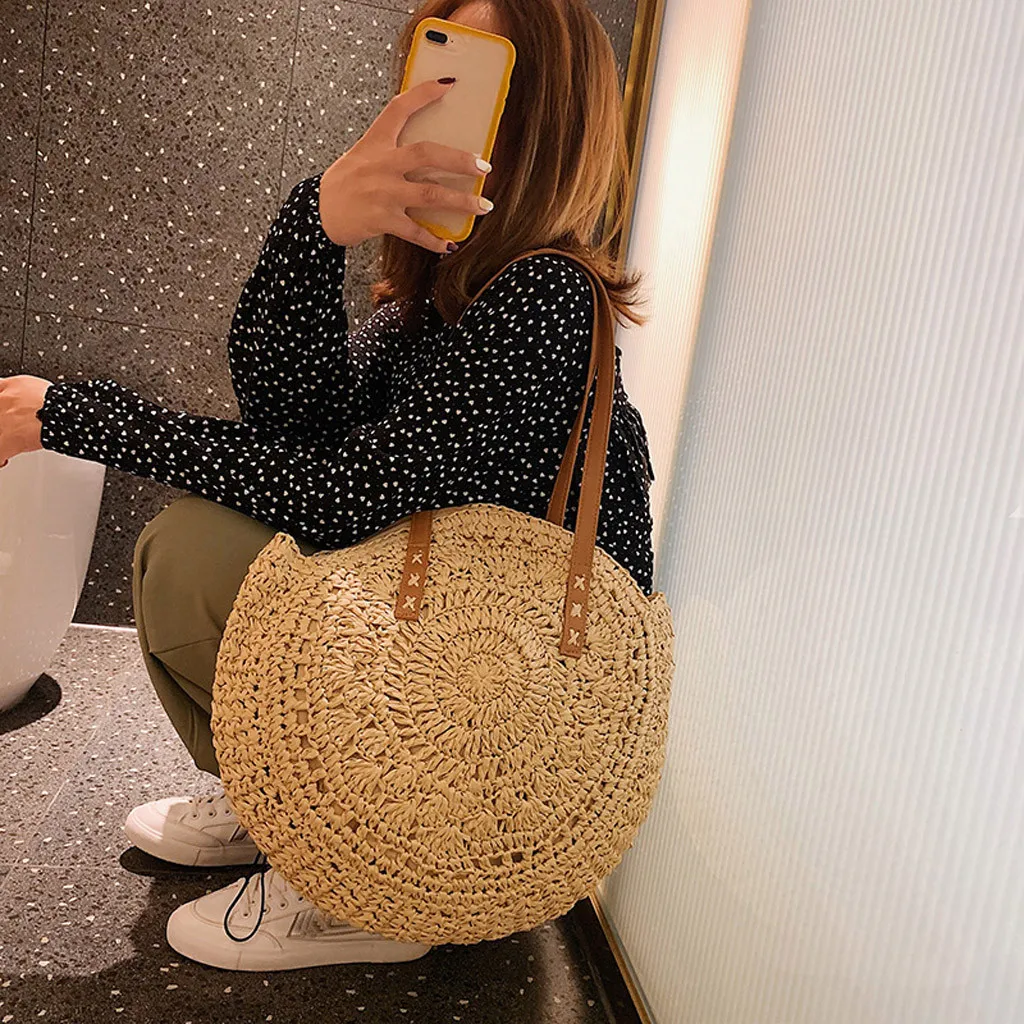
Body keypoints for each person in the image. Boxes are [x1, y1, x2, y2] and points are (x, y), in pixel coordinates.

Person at [0, 0, 657, 971]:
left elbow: (341, 494)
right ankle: (294, 808)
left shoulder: (547, 294)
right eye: (430, 79)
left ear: (541, 118)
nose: (436, 112)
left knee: (211, 551)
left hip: (496, 711)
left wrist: (78, 415)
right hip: (426, 660)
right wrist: (313, 228)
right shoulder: (436, 305)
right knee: (194, 540)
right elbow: (290, 422)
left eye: (476, 86)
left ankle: (375, 881)